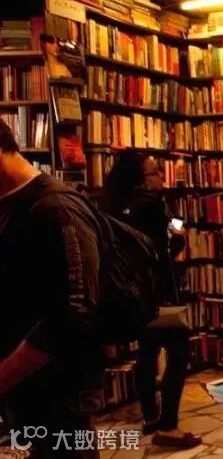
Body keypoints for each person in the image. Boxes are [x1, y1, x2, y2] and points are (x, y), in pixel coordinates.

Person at [0, 119, 103, 458]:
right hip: (23, 392)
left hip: (59, 397)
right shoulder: (11, 205)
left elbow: (72, 316)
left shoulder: (57, 208)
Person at [102, 152, 200, 449]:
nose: (161, 177)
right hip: (161, 296)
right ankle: (169, 426)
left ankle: (150, 416)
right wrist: (179, 237)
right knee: (179, 353)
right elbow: (161, 253)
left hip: (136, 297)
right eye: (155, 172)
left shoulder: (115, 208)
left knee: (146, 353)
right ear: (140, 181)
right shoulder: (152, 207)